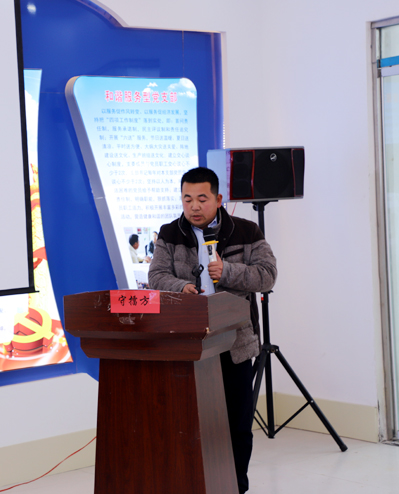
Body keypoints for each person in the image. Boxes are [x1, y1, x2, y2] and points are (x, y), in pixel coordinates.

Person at [148, 166, 277, 494]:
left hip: (234, 344)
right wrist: (181, 287)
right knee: (189, 424)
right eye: (187, 199)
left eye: (202, 199)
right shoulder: (170, 233)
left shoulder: (246, 231)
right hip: (187, 345)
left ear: (218, 199)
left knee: (236, 425)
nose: (194, 206)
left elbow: (267, 275)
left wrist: (228, 271)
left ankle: (236, 486)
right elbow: (157, 276)